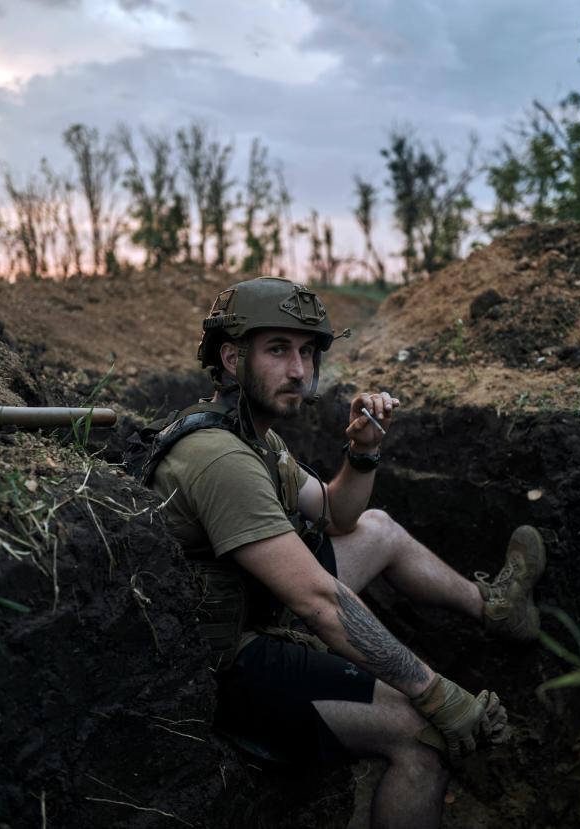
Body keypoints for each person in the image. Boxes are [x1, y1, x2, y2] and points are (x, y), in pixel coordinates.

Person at [142, 276, 545, 829]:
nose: (299, 370)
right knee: (423, 739)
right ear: (233, 358)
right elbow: (319, 604)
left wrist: (363, 451)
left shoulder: (256, 440)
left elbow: (337, 514)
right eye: (278, 350)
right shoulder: (219, 458)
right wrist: (435, 693)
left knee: (377, 528)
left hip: (256, 605)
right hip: (225, 663)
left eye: (307, 352)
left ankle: (496, 608)